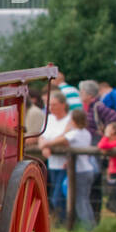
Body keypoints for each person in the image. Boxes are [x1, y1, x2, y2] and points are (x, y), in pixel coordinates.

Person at [38, 89, 73, 222]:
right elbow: (42, 135)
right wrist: (43, 145)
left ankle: (64, 221)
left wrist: (47, 145)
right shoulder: (50, 119)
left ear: (63, 105)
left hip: (65, 162)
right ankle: (59, 220)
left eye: (54, 105)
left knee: (59, 195)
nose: (51, 108)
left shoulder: (70, 119)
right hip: (52, 162)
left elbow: (65, 137)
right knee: (53, 193)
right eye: (49, 105)